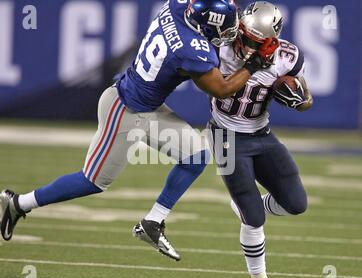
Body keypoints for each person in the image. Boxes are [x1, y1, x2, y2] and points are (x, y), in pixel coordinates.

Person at [0, 0, 276, 262]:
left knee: (196, 156)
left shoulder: (178, 7)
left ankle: (152, 222)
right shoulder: (193, 50)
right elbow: (222, 88)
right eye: (225, 29)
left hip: (149, 107)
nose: (230, 32)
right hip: (124, 110)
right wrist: (254, 64)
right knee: (93, 182)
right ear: (205, 27)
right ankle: (19, 203)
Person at [207, 1, 313, 278]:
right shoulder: (219, 47)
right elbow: (217, 87)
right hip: (225, 136)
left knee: (296, 203)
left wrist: (299, 99)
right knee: (253, 217)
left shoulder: (287, 57)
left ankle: (246, 204)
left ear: (272, 39)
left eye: (255, 40)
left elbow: (306, 100)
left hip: (262, 134)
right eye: (243, 34)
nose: (245, 43)